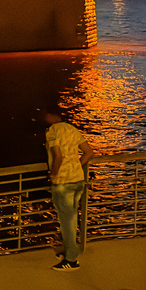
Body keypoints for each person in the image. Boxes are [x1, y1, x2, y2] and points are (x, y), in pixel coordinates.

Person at [43, 107, 95, 270]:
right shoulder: (72, 129)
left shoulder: (52, 132)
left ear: (51, 117)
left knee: (66, 221)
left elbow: (58, 156)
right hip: (77, 179)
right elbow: (88, 152)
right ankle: (69, 251)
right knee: (71, 218)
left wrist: (53, 175)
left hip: (63, 182)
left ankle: (71, 260)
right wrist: (76, 166)